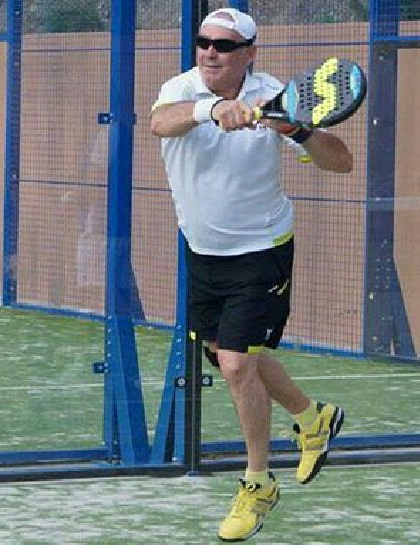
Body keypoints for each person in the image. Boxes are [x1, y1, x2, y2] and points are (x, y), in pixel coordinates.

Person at [150, 7, 350, 542]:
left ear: (249, 54)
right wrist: (213, 110)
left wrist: (297, 128)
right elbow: (160, 123)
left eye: (224, 45)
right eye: (204, 42)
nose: (210, 52)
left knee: (238, 365)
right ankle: (313, 418)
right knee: (225, 353)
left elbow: (341, 162)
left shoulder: (275, 95)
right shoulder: (181, 89)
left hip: (262, 249)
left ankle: (257, 483)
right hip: (203, 250)